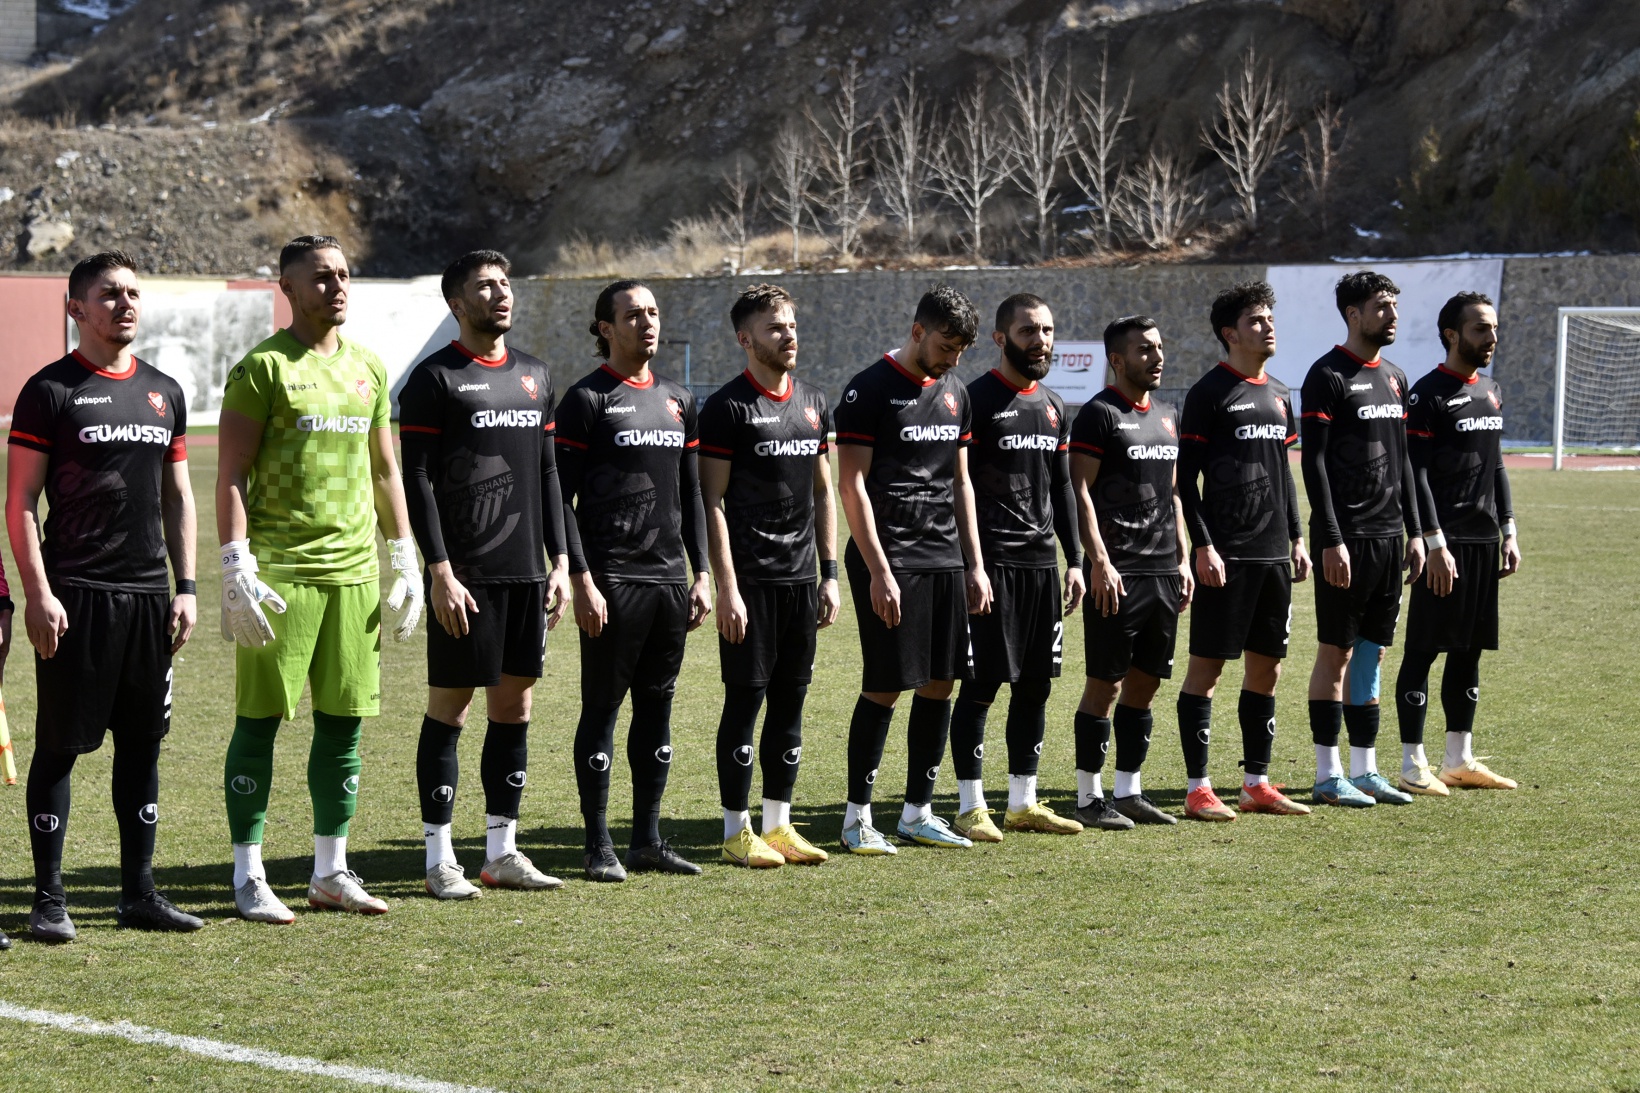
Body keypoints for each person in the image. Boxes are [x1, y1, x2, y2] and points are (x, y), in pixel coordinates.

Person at [218, 235, 424, 923]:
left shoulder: (368, 366)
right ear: (287, 286)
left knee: (344, 726)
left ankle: (329, 871)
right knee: (260, 724)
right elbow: (232, 474)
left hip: (355, 577)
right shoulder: (262, 369)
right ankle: (248, 875)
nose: (336, 286)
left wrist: (404, 556)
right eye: (320, 277)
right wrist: (235, 561)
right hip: (282, 577)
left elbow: (386, 469)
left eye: (343, 274)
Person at [6, 250, 203, 942]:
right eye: (109, 294)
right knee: (60, 744)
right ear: (76, 308)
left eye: (133, 294)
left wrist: (187, 587)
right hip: (77, 594)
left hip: (149, 597)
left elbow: (178, 496)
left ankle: (138, 893)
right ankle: (48, 898)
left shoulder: (163, 391)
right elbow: (22, 499)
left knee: (143, 745)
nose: (125, 304)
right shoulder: (49, 391)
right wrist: (38, 592)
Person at [398, 250, 574, 899]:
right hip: (465, 578)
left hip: (527, 573)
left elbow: (549, 472)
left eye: (505, 283)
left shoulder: (534, 375)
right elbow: (416, 478)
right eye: (485, 285)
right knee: (452, 707)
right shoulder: (433, 380)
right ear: (456, 302)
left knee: (515, 706)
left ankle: (502, 850)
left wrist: (559, 561)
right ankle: (439, 856)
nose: (500, 293)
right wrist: (438, 570)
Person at [558, 280, 712, 881]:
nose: (646, 323)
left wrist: (701, 573)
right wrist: (581, 578)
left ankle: (647, 838)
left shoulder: (678, 398)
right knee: (601, 708)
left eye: (652, 313)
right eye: (632, 315)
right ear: (605, 327)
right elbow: (559, 500)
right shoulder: (585, 400)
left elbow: (692, 492)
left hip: (671, 581)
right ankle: (598, 846)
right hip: (613, 580)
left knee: (658, 708)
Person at [833, 284, 992, 855]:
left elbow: (960, 481)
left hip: (944, 557)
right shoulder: (868, 390)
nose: (954, 360)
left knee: (942, 681)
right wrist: (878, 570)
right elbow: (850, 484)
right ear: (918, 331)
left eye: (962, 350)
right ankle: (856, 820)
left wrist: (973, 564)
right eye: (947, 345)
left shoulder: (955, 393)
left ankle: (917, 813)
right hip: (890, 559)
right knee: (885, 684)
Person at [699, 284, 839, 868]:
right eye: (774, 327)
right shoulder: (727, 408)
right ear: (745, 339)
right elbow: (711, 503)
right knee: (745, 701)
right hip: (750, 586)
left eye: (791, 325)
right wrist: (726, 588)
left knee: (792, 702)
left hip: (801, 582)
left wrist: (830, 574)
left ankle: (778, 825)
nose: (788, 335)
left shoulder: (812, 401)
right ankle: (737, 830)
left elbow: (824, 490)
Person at [948, 293, 1086, 843]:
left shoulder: (1053, 404)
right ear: (1001, 339)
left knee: (1035, 687)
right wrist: (970, 564)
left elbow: (1061, 488)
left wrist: (1074, 561)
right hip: (991, 566)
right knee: (982, 685)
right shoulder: (973, 399)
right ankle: (970, 804)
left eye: (1048, 330)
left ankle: (1023, 801)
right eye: (1029, 331)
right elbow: (955, 487)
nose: (1042, 341)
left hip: (1040, 567)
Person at [1176, 281, 1314, 821]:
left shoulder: (1280, 393)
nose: (1268, 327)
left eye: (1270, 318)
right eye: (1256, 321)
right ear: (1230, 333)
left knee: (1268, 671)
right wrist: (1203, 546)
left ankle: (1256, 782)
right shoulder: (1208, 393)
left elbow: (1284, 473)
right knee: (1206, 671)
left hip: (1274, 556)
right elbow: (1185, 481)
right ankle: (1198, 787)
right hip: (1226, 556)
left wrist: (1298, 537)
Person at [1299, 271, 1424, 807]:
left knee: (1371, 653)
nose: (1392, 314)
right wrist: (1330, 537)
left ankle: (1365, 769)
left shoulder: (1395, 377)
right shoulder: (1326, 376)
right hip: (1345, 539)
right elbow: (1314, 463)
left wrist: (1417, 533)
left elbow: (1406, 462)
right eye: (1381, 306)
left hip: (1389, 537)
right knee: (1337, 652)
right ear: (1353, 314)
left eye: (1395, 305)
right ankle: (1328, 775)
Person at [1068, 316, 1193, 829]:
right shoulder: (1098, 415)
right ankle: (1087, 796)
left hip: (1164, 570)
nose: (1157, 357)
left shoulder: (1167, 414)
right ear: (1117, 360)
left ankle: (1129, 790)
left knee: (1146, 683)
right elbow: (1079, 492)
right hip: (1117, 573)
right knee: (1107, 683)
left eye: (1159, 347)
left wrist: (1184, 557)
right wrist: (1098, 561)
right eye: (1144, 350)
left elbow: (1174, 494)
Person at [1396, 292, 1520, 790]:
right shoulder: (1427, 394)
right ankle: (1411, 765)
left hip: (1483, 541)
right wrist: (1433, 541)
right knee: (1424, 650)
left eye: (1492, 329)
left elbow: (1497, 465)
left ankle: (1459, 759)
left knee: (1468, 651)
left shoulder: (1491, 390)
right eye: (1479, 330)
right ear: (1452, 334)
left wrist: (1508, 529)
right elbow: (1416, 475)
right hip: (1441, 544)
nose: (1490, 338)